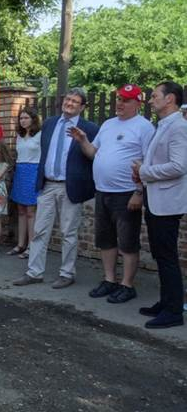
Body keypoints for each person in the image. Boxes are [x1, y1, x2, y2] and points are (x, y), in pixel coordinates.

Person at [68, 84, 154, 303]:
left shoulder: (145, 127)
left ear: (137, 103)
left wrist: (139, 192)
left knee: (127, 242)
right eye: (119, 99)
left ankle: (127, 284)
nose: (120, 104)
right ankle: (109, 280)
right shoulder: (107, 124)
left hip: (126, 193)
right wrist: (83, 141)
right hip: (102, 191)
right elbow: (93, 153)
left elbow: (148, 163)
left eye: (125, 100)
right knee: (105, 240)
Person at [13, 88, 98, 288]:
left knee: (69, 232)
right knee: (40, 230)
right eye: (68, 99)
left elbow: (94, 157)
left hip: (71, 187)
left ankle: (67, 273)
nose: (70, 103)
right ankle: (34, 272)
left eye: (75, 101)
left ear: (83, 107)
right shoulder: (50, 124)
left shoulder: (90, 128)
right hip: (48, 185)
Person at [132, 81, 187, 329]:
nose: (150, 99)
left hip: (167, 204)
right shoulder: (163, 125)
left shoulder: (178, 128)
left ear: (170, 99)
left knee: (167, 257)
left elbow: (179, 167)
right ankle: (166, 303)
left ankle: (174, 311)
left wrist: (144, 171)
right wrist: (143, 172)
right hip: (157, 201)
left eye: (155, 96)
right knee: (160, 254)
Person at [7, 107, 42, 259]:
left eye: (26, 118)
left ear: (33, 119)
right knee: (20, 210)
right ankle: (20, 245)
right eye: (21, 118)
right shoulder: (20, 136)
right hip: (20, 172)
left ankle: (31, 246)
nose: (23, 121)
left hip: (33, 171)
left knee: (30, 212)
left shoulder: (40, 135)